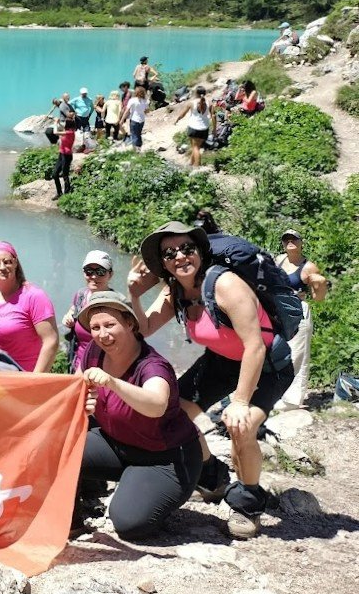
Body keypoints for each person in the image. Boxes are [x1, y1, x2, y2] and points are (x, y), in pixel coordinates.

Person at [130, 222, 295, 539]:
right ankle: (212, 475)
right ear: (163, 262)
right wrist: (135, 294)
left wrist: (240, 401)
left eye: (187, 248)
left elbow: (255, 346)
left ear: (200, 250)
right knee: (173, 409)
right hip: (222, 360)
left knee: (241, 426)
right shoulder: (176, 289)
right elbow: (146, 327)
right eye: (170, 253)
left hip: (267, 363)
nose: (180, 256)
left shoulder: (225, 285)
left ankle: (247, 503)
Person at [73, 291, 203, 541]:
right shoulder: (94, 351)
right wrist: (82, 401)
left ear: (130, 323)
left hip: (166, 458)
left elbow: (156, 404)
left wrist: (113, 383)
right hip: (117, 444)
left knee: (128, 524)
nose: (102, 334)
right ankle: (71, 520)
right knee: (59, 449)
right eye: (96, 327)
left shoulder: (152, 365)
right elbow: (76, 388)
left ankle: (158, 487)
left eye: (110, 325)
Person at [0, 241, 59, 373]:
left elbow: (51, 340)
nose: (2, 267)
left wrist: (35, 378)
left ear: (15, 263)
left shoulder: (34, 296)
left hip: (25, 374)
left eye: (7, 262)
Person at [274, 229, 328, 410]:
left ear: (300, 242)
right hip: (276, 311)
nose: (290, 242)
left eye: (294, 239)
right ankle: (274, 393)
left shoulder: (309, 267)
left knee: (297, 353)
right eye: (286, 239)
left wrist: (320, 285)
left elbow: (318, 297)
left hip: (298, 310)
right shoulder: (277, 260)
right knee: (275, 351)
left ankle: (291, 400)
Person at [60, 250, 114, 372]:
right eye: (89, 271)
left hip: (102, 371)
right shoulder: (81, 296)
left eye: (100, 272)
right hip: (76, 363)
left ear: (110, 274)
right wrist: (68, 317)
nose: (94, 277)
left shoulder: (116, 304)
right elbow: (72, 310)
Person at [174, 86, 212, 167]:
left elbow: (182, 114)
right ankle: (191, 163)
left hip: (194, 128)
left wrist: (177, 119)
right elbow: (213, 115)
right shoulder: (209, 102)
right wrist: (214, 128)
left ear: (196, 93)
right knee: (195, 146)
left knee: (195, 148)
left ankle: (197, 167)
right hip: (205, 128)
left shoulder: (191, 103)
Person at [51, 116, 76, 199]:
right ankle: (59, 193)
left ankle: (66, 193)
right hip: (61, 154)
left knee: (65, 175)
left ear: (68, 125)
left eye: (65, 122)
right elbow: (62, 127)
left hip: (67, 155)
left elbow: (55, 132)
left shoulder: (70, 132)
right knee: (55, 174)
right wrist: (58, 123)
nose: (64, 123)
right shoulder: (67, 131)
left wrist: (55, 123)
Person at [124, 85, 148, 149]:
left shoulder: (132, 100)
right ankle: (139, 148)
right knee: (139, 134)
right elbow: (146, 111)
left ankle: (135, 150)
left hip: (134, 119)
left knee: (134, 134)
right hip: (142, 120)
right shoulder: (145, 101)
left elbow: (127, 111)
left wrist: (122, 120)